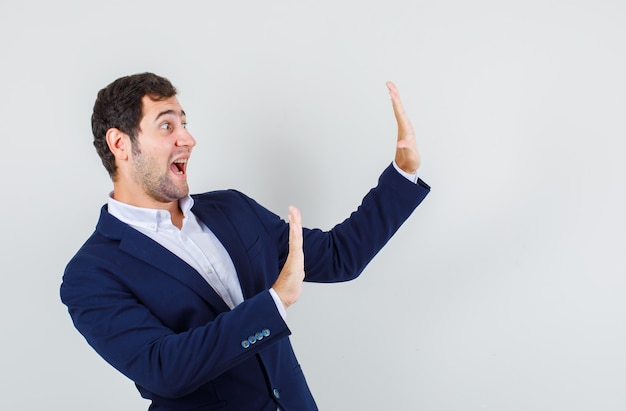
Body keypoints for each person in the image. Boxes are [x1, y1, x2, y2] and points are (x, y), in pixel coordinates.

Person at [60, 72, 430, 411]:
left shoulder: (232, 209)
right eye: (167, 125)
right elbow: (164, 369)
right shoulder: (90, 275)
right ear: (120, 145)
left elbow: (339, 257)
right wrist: (274, 302)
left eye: (185, 123)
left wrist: (403, 172)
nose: (187, 138)